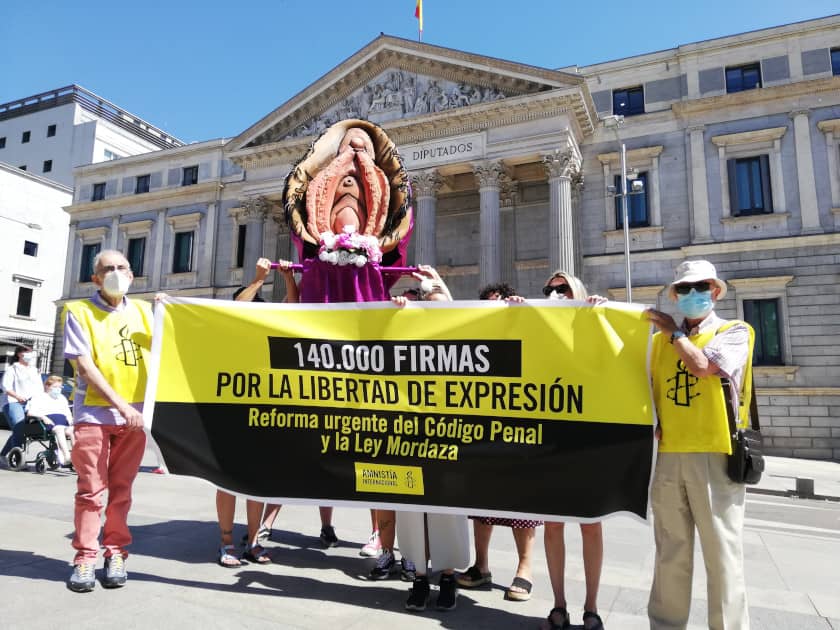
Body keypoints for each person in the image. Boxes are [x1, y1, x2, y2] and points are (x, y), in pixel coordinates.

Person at [645, 260, 753, 630]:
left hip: (714, 452)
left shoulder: (735, 330)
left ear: (715, 291)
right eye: (684, 289)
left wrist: (676, 334)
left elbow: (704, 367)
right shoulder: (659, 342)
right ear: (675, 295)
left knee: (721, 553)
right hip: (670, 453)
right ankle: (665, 625)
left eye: (700, 287)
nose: (693, 295)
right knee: (670, 550)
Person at [63, 249, 153, 593]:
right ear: (95, 278)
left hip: (134, 416)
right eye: (108, 269)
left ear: (132, 275)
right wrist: (123, 406)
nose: (116, 273)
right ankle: (85, 558)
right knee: (91, 492)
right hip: (95, 414)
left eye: (122, 267)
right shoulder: (78, 312)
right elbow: (84, 367)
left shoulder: (146, 312)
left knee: (122, 491)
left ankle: (116, 552)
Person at [458, 283, 542, 603]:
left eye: (502, 303)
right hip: (483, 427)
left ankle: (524, 569)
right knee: (481, 502)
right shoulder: (479, 335)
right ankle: (481, 566)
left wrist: (527, 314)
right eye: (490, 304)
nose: (497, 309)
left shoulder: (527, 331)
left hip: (520, 426)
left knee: (520, 502)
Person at [393, 267, 470, 612]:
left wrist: (438, 279)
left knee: (447, 510)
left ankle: (449, 577)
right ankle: (420, 578)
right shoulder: (408, 334)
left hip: (449, 435)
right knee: (411, 512)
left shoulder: (460, 339)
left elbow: (465, 318)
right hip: (408, 435)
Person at [540, 270, 606, 630]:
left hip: (588, 437)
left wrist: (603, 314)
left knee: (590, 526)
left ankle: (592, 607)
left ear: (578, 291)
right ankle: (558, 605)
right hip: (550, 438)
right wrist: (515, 315)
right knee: (553, 525)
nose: (555, 294)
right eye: (549, 290)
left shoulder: (595, 322)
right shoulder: (541, 330)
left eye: (562, 289)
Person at [1, 346, 43, 461]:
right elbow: (5, 387)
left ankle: (2, 455)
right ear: (19, 354)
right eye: (27, 352)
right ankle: (18, 458)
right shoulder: (12, 369)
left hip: (30, 403)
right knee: (19, 427)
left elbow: (39, 389)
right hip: (13, 402)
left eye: (31, 352)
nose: (30, 355)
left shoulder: (34, 370)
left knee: (22, 430)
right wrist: (18, 397)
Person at [26, 375, 74, 466]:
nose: (58, 389)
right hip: (46, 423)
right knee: (59, 429)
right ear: (47, 386)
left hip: (63, 423)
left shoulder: (62, 398)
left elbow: (67, 413)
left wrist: (71, 420)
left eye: (60, 387)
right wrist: (43, 417)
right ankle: (66, 456)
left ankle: (76, 456)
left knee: (73, 430)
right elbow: (30, 413)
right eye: (55, 387)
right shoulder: (39, 397)